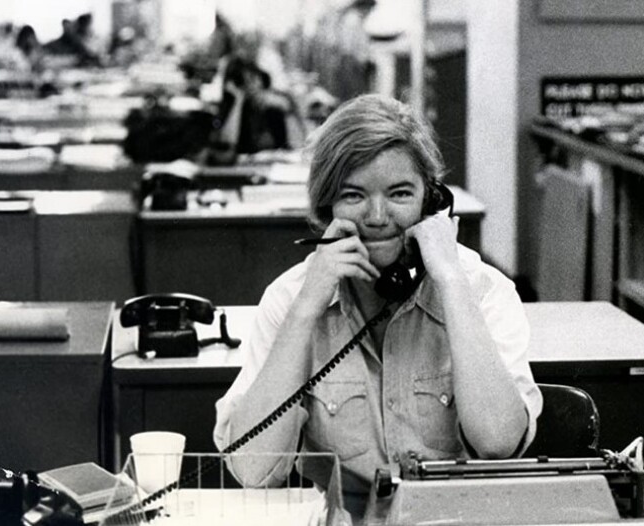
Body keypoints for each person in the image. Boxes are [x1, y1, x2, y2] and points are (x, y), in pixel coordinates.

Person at [213, 94, 541, 522]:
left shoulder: (480, 290)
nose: (377, 216)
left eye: (400, 193)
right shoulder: (292, 298)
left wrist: (451, 284)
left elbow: (498, 443)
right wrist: (307, 308)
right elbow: (254, 471)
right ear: (326, 204)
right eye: (353, 195)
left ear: (432, 200)